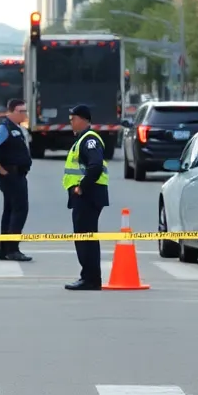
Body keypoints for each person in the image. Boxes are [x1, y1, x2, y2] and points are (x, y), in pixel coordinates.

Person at [63, 104, 109, 290]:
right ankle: (89, 277)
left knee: (85, 238)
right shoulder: (82, 139)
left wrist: (82, 186)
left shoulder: (89, 140)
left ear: (82, 119)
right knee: (84, 237)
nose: (71, 122)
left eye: (73, 119)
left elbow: (95, 165)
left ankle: (90, 279)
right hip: (86, 196)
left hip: (88, 196)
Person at [0, 98, 33, 262]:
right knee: (19, 210)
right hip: (11, 174)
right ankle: (12, 249)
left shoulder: (17, 129)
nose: (24, 114)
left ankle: (6, 250)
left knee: (10, 211)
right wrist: (0, 169)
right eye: (21, 111)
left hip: (18, 174)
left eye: (25, 111)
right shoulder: (3, 128)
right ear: (10, 112)